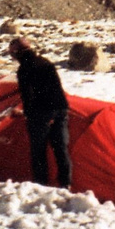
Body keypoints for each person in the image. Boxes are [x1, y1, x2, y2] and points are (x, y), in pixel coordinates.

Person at [8, 37, 71, 189]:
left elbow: (27, 95)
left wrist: (27, 113)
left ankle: (41, 185)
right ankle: (65, 183)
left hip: (41, 113)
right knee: (61, 149)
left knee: (39, 150)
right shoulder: (46, 62)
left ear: (17, 53)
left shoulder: (25, 69)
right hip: (61, 109)